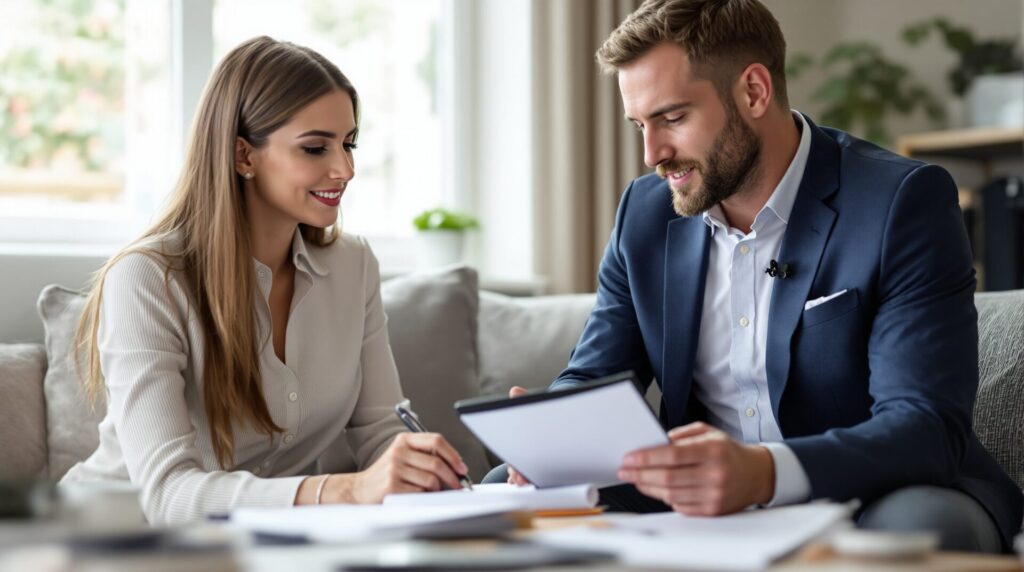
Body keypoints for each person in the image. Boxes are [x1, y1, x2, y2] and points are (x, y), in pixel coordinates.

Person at [490, 0, 1022, 553]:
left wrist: (765, 472)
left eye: (672, 118)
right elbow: (594, 375)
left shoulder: (901, 202)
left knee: (924, 529)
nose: (652, 154)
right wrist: (550, 435)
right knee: (502, 495)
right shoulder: (645, 214)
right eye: (639, 125)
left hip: (873, 491)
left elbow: (923, 426)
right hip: (698, 496)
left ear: (753, 91)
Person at [61, 36, 469, 525]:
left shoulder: (354, 265)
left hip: (267, 542)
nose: (345, 168)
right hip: (111, 536)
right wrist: (343, 491)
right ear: (243, 156)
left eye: (349, 143)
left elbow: (380, 429)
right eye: (316, 147)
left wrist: (423, 471)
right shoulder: (148, 279)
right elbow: (168, 494)